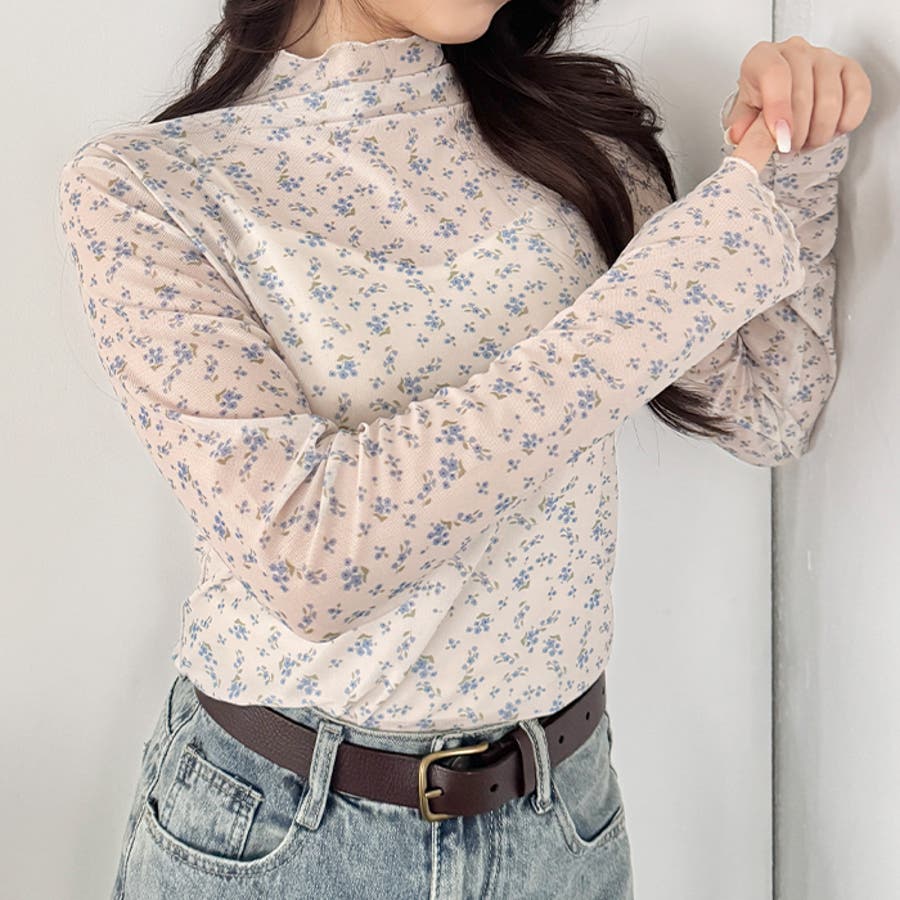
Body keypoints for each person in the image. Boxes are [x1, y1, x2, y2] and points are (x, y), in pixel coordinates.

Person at [56, 0, 869, 897]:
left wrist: (790, 158)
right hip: (280, 835)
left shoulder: (576, 142)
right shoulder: (149, 186)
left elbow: (770, 410)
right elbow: (312, 558)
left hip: (562, 818)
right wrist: (667, 290)